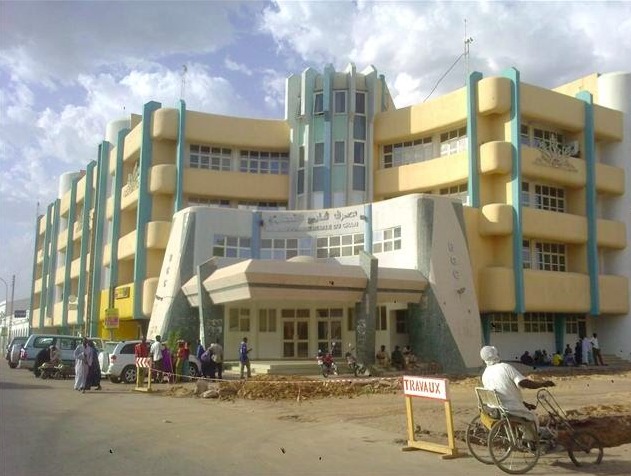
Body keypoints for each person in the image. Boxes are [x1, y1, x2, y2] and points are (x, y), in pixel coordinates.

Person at [480, 346, 554, 441]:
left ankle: (522, 435)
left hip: (495, 409)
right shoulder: (505, 367)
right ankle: (531, 442)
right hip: (509, 409)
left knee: (525, 412)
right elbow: (523, 382)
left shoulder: (485, 373)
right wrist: (542, 384)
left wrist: (524, 404)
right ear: (495, 354)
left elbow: (503, 393)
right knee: (533, 418)